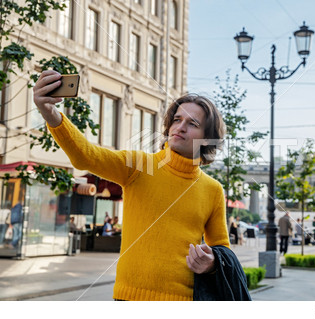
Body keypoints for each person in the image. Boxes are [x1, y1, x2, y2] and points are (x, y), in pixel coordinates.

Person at [33, 71, 235, 301]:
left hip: (185, 301)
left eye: (192, 123)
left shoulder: (212, 189)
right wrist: (50, 113)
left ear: (207, 138)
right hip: (129, 299)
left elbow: (221, 249)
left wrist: (210, 264)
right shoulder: (140, 165)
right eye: (177, 120)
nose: (180, 127)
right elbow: (86, 156)